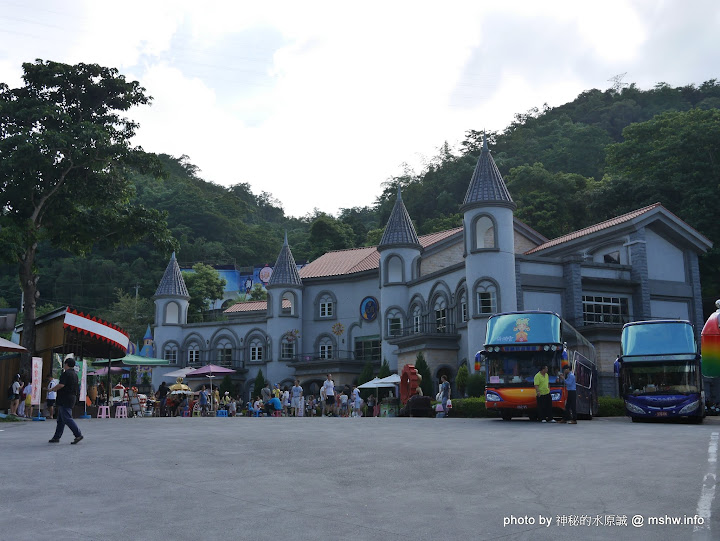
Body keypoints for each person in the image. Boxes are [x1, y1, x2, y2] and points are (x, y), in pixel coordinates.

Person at [48, 358, 83, 444]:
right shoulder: (75, 374)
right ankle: (56, 437)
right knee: (61, 419)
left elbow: (61, 385)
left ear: (66, 364)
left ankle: (78, 434)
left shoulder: (66, 374)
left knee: (67, 418)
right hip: (72, 397)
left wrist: (52, 389)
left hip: (65, 398)